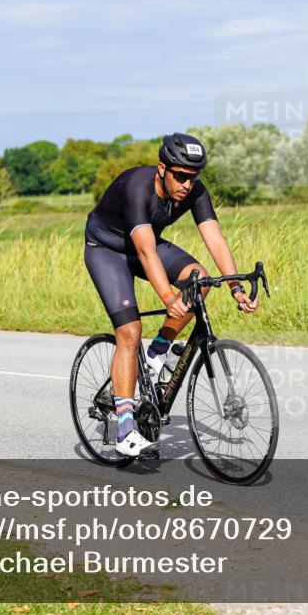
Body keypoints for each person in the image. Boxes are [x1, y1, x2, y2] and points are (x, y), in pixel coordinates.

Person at [83, 132, 259, 456]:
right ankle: (125, 430)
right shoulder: (136, 187)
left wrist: (236, 288)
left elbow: (215, 239)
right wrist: (167, 298)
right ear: (162, 168)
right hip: (107, 250)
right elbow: (146, 252)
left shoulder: (194, 190)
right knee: (130, 332)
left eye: (194, 177)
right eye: (180, 176)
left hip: (144, 244)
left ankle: (157, 352)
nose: (187, 184)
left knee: (199, 281)